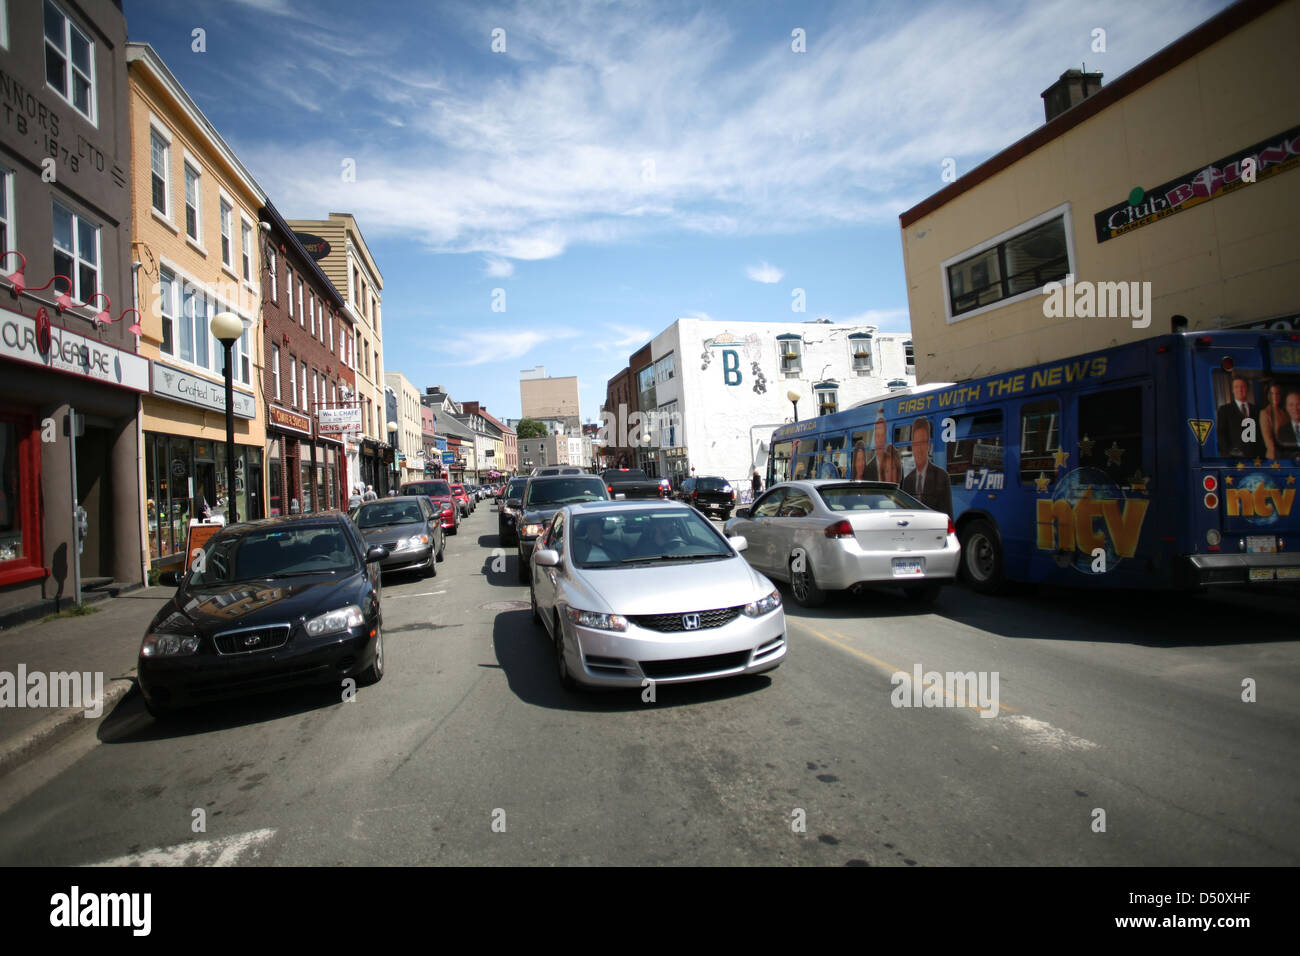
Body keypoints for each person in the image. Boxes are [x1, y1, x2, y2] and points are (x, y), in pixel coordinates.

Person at [900, 417, 953, 518]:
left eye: (923, 442)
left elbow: (948, 517)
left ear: (928, 445)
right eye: (916, 444)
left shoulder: (941, 477)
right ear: (912, 446)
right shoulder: (907, 481)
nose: (919, 449)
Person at [1216, 374, 1264, 458]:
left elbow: (1261, 435)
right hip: (1234, 459)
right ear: (1233, 390)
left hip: (1256, 458)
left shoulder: (1257, 410)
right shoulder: (1224, 410)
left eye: (1243, 387)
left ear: (1247, 389)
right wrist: (1231, 453)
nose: (1240, 390)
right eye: (1236, 387)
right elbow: (1221, 435)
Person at [1260, 383, 1286, 459]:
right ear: (1268, 396)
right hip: (1274, 456)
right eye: (1272, 393)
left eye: (1277, 393)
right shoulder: (1265, 413)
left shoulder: (1284, 413)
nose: (1275, 396)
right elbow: (1268, 441)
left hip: (1287, 454)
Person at [862, 412, 888, 480]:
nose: (880, 440)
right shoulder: (868, 468)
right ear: (874, 438)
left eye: (882, 435)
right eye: (877, 436)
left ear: (885, 438)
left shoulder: (892, 464)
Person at [1276, 391, 1300, 457]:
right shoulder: (1282, 432)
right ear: (1286, 408)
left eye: (1298, 404)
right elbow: (1280, 458)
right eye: (1291, 405)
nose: (1295, 408)